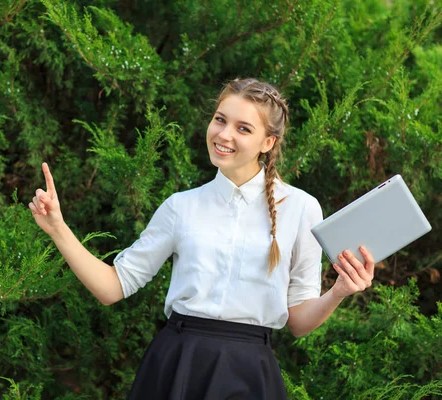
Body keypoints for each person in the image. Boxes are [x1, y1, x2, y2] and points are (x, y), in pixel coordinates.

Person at [28, 78, 375, 400]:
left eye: (243, 128)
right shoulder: (181, 207)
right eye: (220, 120)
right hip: (176, 366)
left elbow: (298, 321)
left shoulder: (301, 208)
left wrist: (339, 291)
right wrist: (58, 228)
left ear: (268, 143)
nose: (224, 134)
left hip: (251, 374)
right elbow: (112, 287)